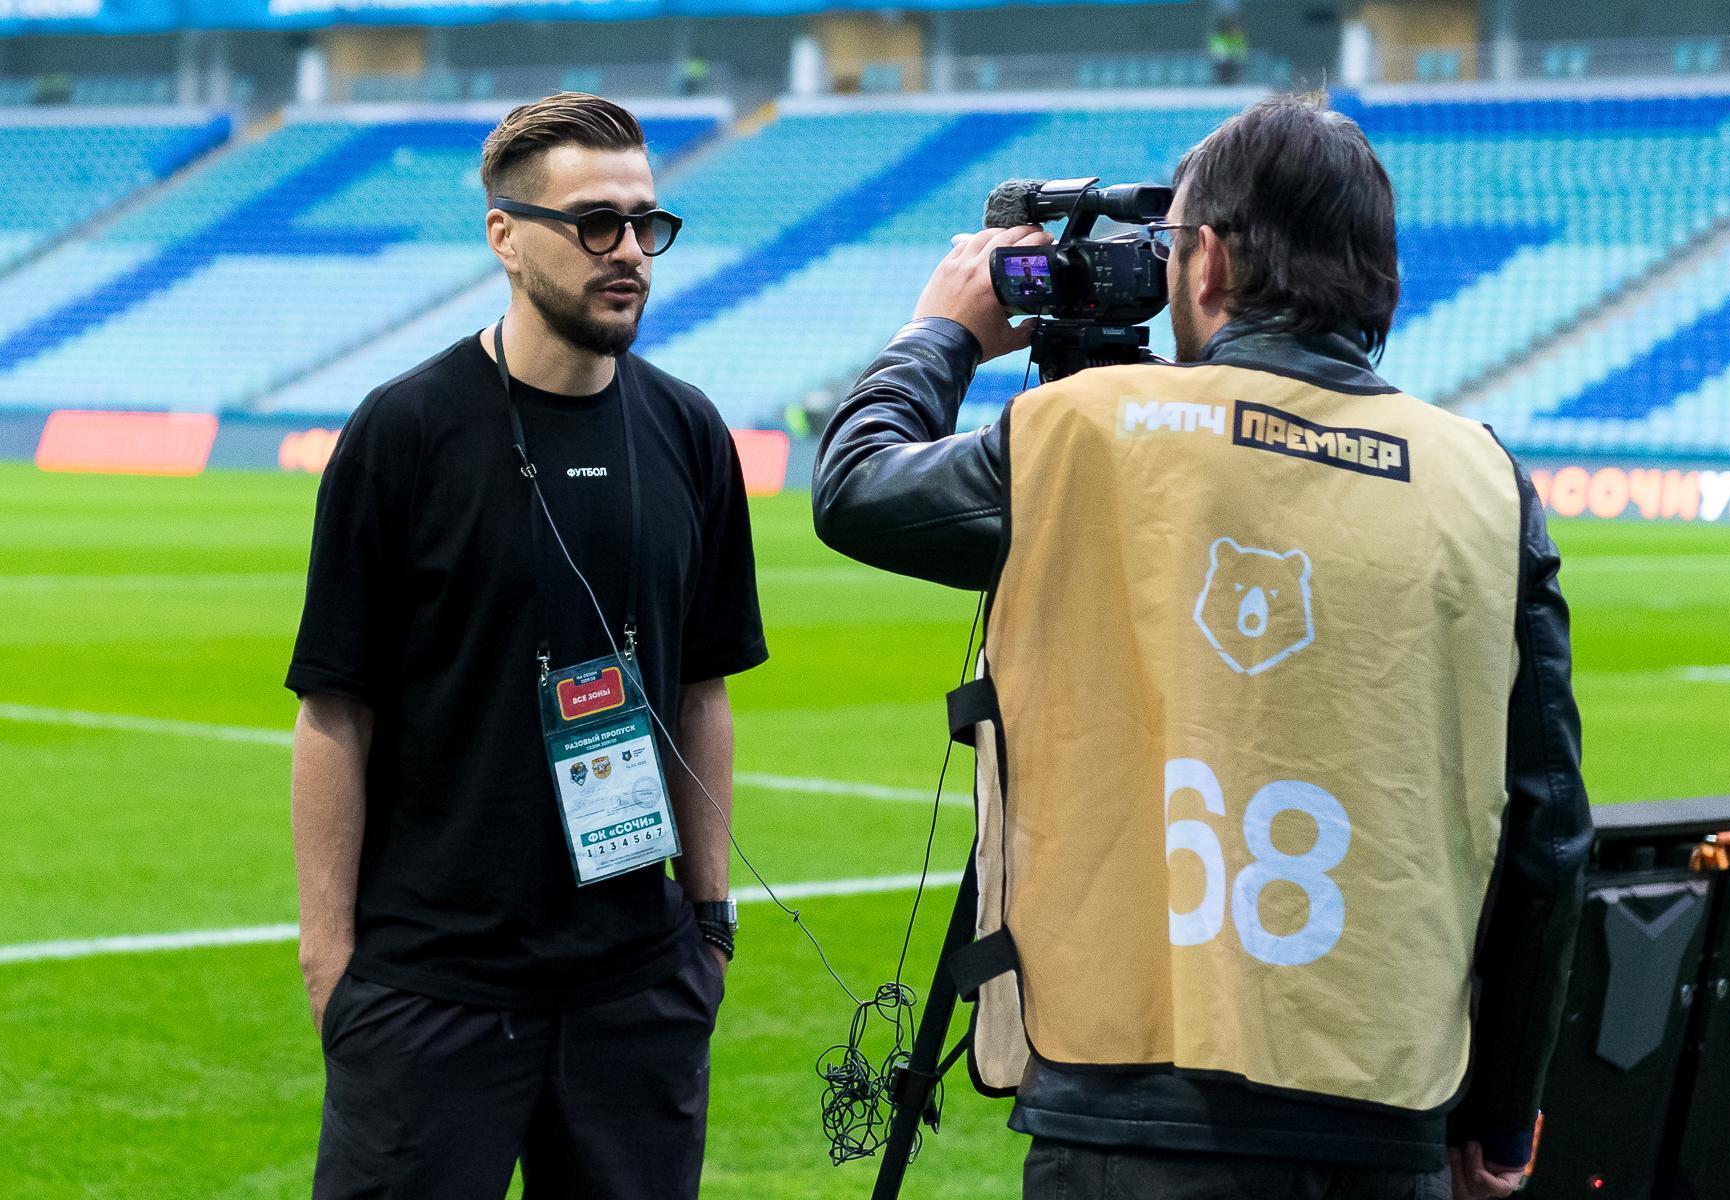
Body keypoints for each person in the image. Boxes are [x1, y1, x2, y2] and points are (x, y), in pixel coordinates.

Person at [813, 94, 1591, 1200]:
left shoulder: (1087, 429)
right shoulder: (1485, 479)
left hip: (1133, 1101)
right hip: (1383, 1108)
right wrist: (1500, 1113)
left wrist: (941, 331)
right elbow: (1548, 837)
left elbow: (854, 486)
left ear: (1211, 260)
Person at [287, 92, 767, 1199]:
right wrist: (332, 969)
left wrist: (707, 928)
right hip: (430, 997)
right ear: (505, 236)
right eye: (595, 223)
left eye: (645, 222)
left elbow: (703, 692)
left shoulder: (689, 430)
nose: (630, 250)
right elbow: (334, 710)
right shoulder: (405, 431)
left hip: (637, 996)